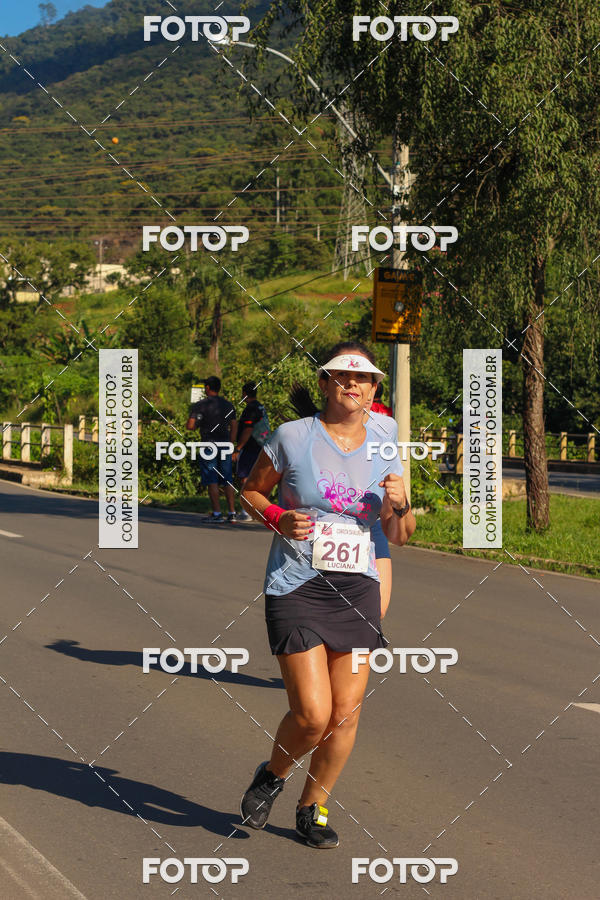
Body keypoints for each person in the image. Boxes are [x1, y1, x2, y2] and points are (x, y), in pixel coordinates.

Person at [239, 340, 416, 849]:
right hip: (296, 585)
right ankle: (272, 774)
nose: (354, 385)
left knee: (345, 712)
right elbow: (251, 490)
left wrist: (401, 506)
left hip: (356, 587)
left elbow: (400, 536)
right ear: (325, 383)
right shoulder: (292, 437)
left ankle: (312, 807)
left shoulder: (386, 436)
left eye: (364, 380)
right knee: (313, 714)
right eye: (343, 376)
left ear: (375, 390)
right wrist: (276, 517)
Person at [288, 377, 397, 620]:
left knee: (374, 613)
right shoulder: (309, 435)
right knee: (312, 616)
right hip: (315, 532)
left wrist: (396, 499)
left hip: (368, 528)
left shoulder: (384, 430)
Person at [185, 375, 238, 523]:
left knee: (212, 479)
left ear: (208, 388)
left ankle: (217, 513)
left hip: (209, 445)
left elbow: (190, 426)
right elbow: (234, 426)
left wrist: (196, 424)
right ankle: (232, 512)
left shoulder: (201, 405)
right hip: (225, 445)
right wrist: (231, 444)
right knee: (227, 479)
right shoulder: (228, 405)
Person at [233, 381, 270, 521]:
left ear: (244, 394)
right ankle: (257, 511)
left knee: (245, 478)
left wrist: (238, 448)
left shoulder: (251, 408)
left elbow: (248, 429)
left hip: (251, 448)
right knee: (257, 479)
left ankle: (247, 511)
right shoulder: (260, 406)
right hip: (262, 447)